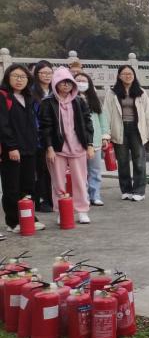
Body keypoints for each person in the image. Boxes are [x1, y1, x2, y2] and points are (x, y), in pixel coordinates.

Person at [39, 67, 94, 224]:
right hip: (57, 149)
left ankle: (82, 210)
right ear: (55, 83)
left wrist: (89, 144)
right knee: (58, 181)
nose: (66, 85)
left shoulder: (79, 101)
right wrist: (49, 148)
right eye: (62, 82)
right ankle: (61, 210)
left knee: (80, 180)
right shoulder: (47, 102)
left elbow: (88, 123)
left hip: (78, 146)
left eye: (69, 82)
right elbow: (45, 127)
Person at [0, 64, 46, 234]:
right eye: (15, 76)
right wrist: (11, 147)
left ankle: (29, 218)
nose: (19, 80)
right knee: (12, 187)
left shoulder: (29, 97)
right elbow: (3, 125)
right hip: (11, 150)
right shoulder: (3, 96)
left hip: (29, 148)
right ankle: (13, 221)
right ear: (8, 78)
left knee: (28, 186)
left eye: (23, 77)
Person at [102, 65, 149, 201]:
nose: (128, 76)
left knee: (139, 161)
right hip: (119, 128)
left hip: (137, 128)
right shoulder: (112, 93)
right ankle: (126, 189)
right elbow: (106, 113)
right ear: (119, 76)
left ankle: (139, 191)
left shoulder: (141, 92)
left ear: (134, 75)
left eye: (130, 74)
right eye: (124, 74)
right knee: (122, 162)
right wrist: (106, 133)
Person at [78, 73, 110, 206]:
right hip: (78, 141)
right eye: (78, 80)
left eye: (84, 81)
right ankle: (83, 196)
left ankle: (95, 195)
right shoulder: (70, 99)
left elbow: (103, 119)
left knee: (95, 170)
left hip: (95, 140)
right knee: (81, 171)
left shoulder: (94, 100)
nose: (81, 83)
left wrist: (105, 136)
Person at [29, 60, 54, 213]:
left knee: (53, 170)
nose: (46, 76)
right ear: (36, 74)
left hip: (54, 136)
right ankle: (41, 200)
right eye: (43, 73)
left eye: (49, 73)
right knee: (41, 170)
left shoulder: (55, 90)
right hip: (38, 138)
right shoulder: (31, 92)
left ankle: (51, 199)